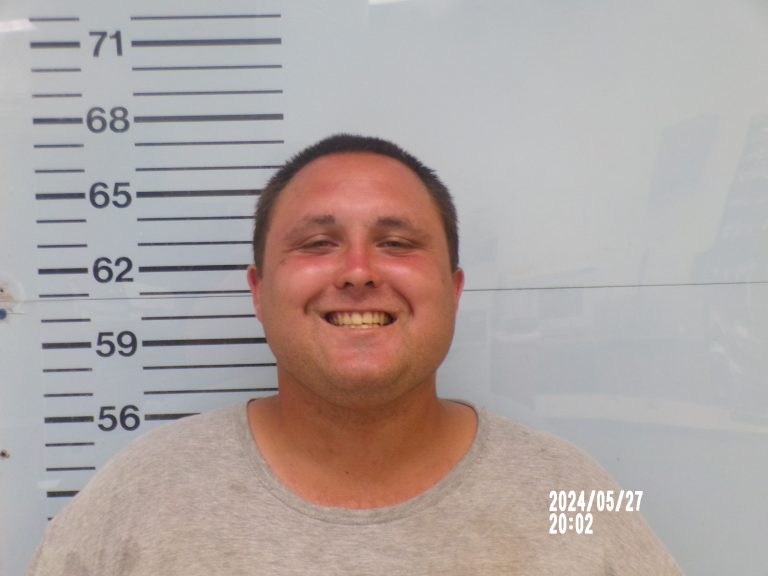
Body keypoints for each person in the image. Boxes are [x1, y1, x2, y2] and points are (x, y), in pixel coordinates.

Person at [27, 134, 681, 575]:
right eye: (318, 244)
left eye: (397, 243)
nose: (360, 271)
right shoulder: (140, 495)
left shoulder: (573, 491)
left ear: (454, 291)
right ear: (259, 292)